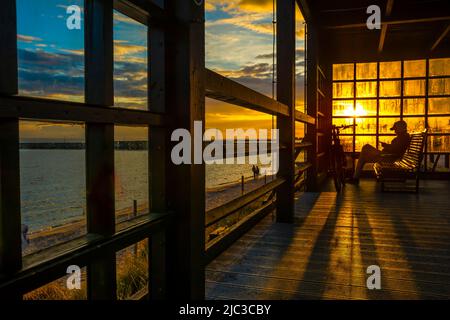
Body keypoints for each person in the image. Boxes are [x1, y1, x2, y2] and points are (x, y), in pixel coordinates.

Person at [348, 120, 411, 185]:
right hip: (387, 156)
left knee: (366, 147)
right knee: (363, 157)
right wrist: (386, 145)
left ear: (400, 128)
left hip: (388, 157)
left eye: (396, 129)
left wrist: (386, 146)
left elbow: (395, 150)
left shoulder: (403, 137)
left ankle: (355, 177)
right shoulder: (403, 137)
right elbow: (396, 148)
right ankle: (355, 178)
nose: (395, 131)